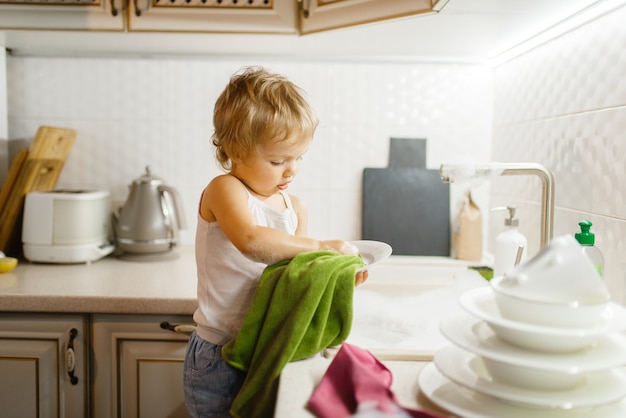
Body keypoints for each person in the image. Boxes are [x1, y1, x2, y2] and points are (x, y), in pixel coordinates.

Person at [183, 66, 368, 418]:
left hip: (266, 348)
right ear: (234, 150)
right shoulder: (225, 190)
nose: (292, 170)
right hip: (218, 357)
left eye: (299, 157)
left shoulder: (295, 207)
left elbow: (295, 277)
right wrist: (323, 247)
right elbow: (251, 241)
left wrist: (338, 277)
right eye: (278, 160)